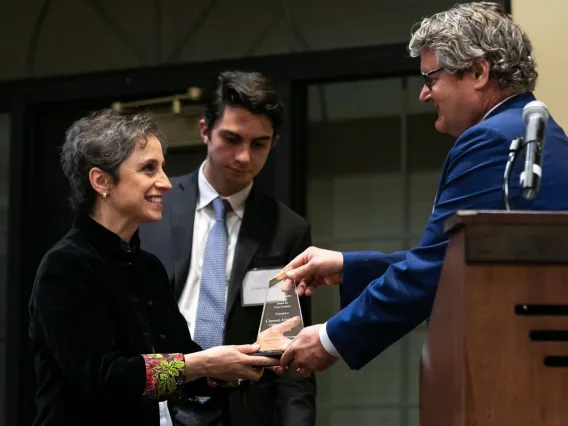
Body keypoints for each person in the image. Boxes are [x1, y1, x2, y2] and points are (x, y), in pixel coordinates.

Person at [277, 1, 568, 377]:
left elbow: (439, 268)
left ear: (478, 72)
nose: (424, 94)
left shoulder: (493, 139)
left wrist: (331, 337)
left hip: (508, 373)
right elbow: (463, 263)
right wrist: (351, 267)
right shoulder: (534, 132)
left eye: (431, 79)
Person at [28, 109, 280, 426]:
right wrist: (201, 363)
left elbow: (182, 363)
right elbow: (104, 379)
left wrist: (254, 359)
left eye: (162, 168)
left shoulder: (147, 266)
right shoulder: (66, 265)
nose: (165, 182)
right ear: (101, 180)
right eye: (149, 169)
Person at [139, 70, 316, 426]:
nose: (243, 157)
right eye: (232, 139)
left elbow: (290, 349)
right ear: (205, 130)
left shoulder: (285, 230)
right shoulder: (153, 205)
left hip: (243, 408)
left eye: (258, 144)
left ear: (274, 143)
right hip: (158, 401)